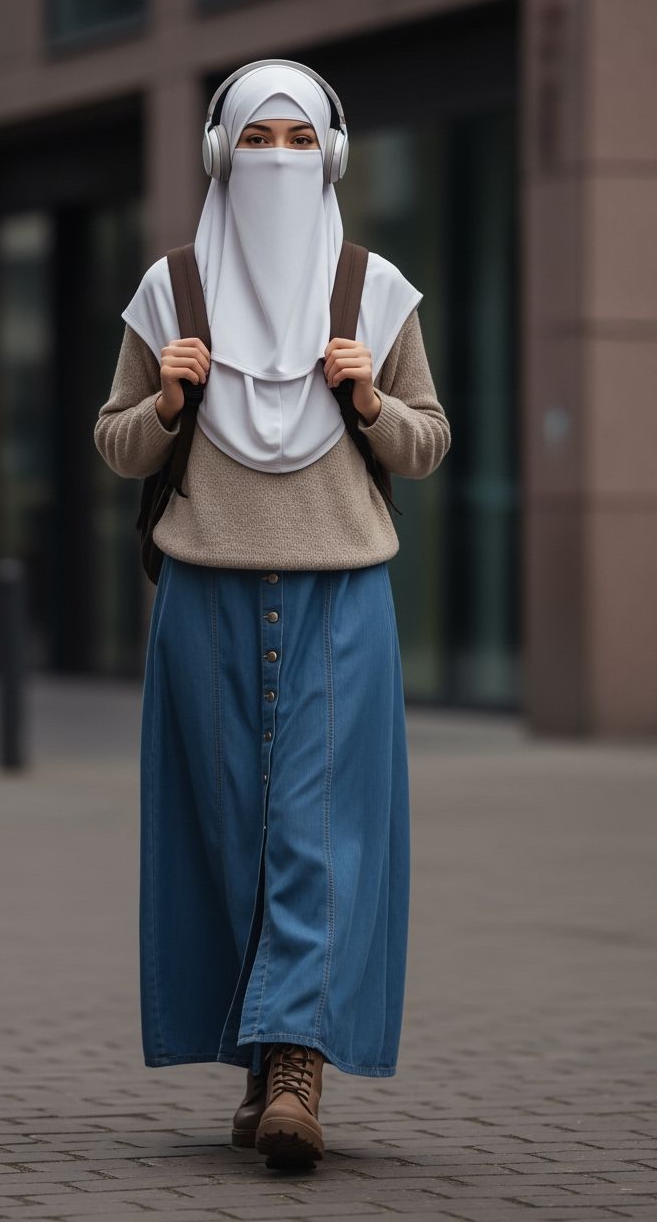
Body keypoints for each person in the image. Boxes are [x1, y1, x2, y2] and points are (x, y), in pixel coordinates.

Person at [94, 60, 450, 1171]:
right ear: (220, 153)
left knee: (317, 835)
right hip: (203, 590)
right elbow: (115, 442)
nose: (280, 161)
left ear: (332, 156)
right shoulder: (170, 293)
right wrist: (163, 404)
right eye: (258, 140)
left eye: (301, 141)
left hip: (341, 594)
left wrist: (370, 398)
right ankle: (262, 1058)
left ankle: (298, 1065)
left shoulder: (375, 292)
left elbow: (428, 441)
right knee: (231, 837)